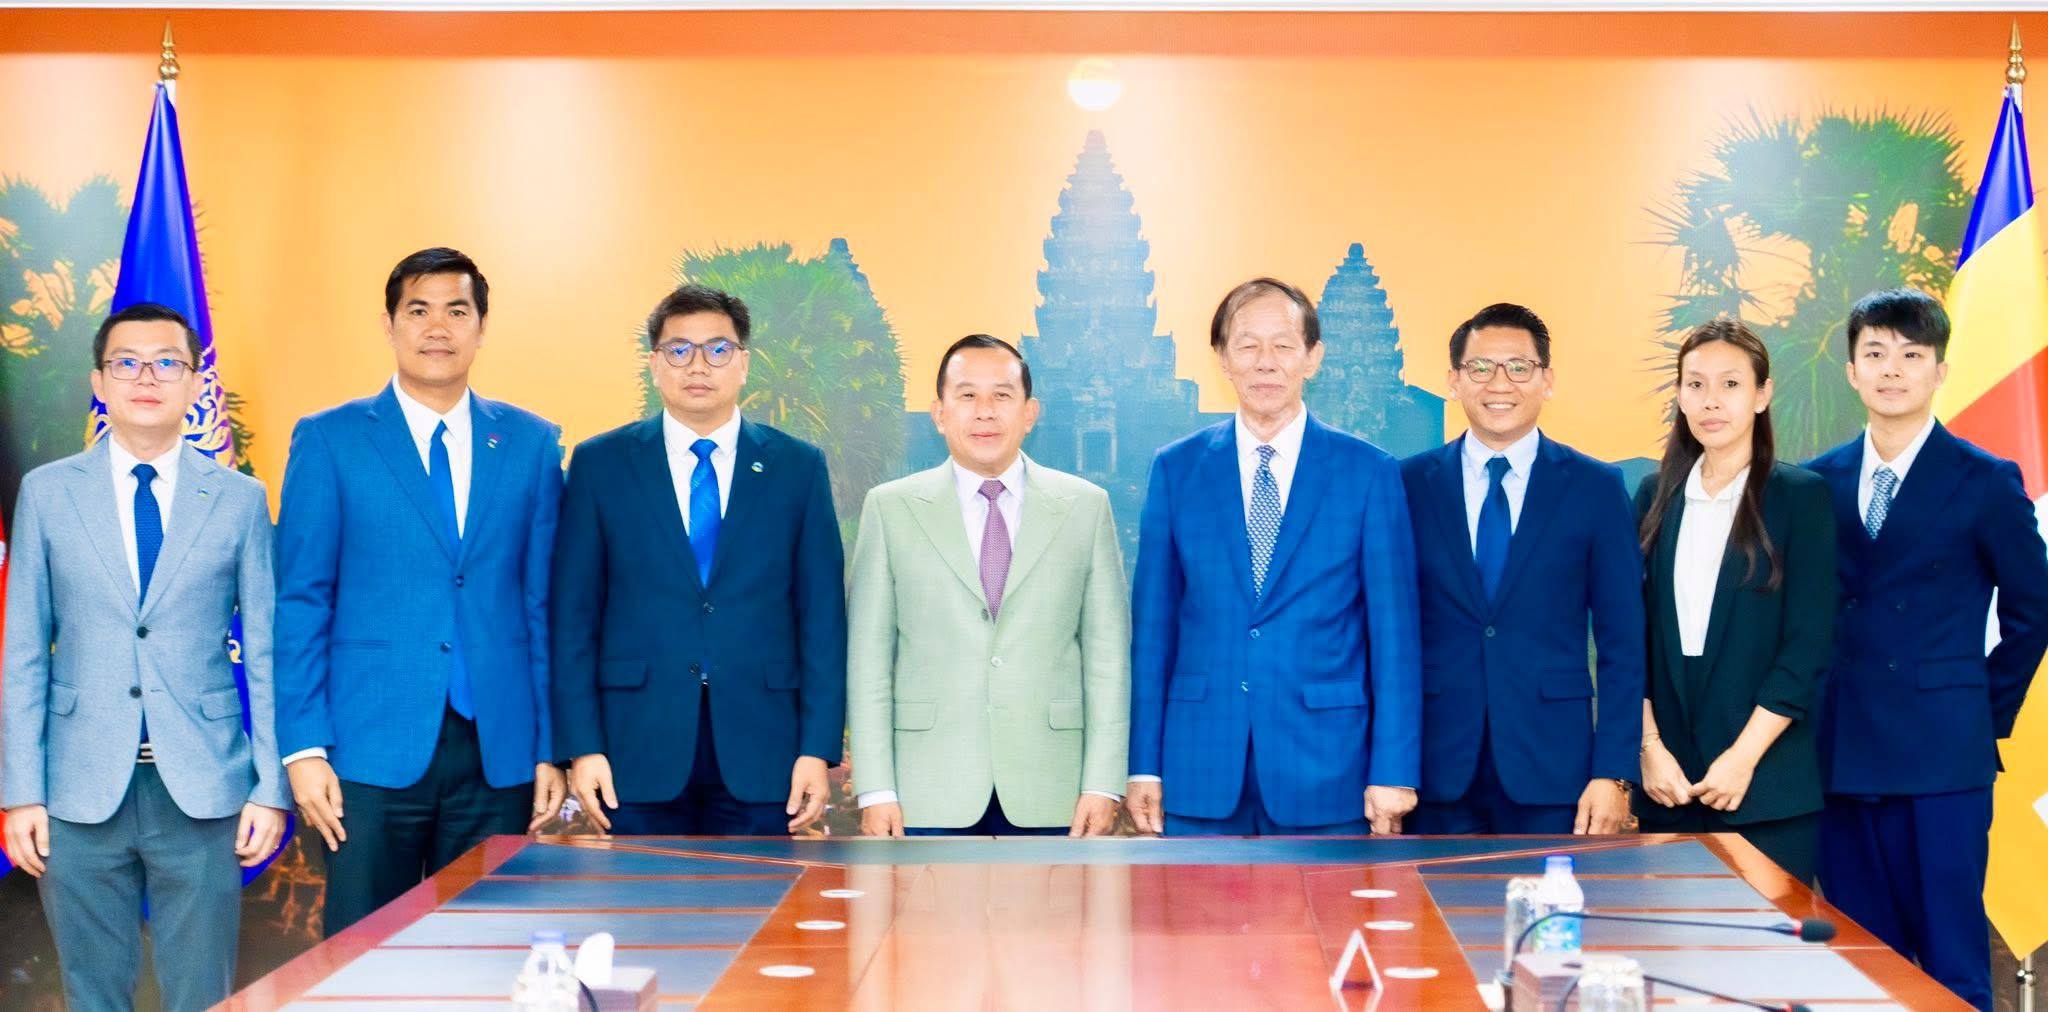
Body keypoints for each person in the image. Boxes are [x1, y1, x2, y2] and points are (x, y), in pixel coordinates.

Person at [1, 303, 290, 1009]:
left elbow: (265, 651)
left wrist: (270, 787)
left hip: (203, 787)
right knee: (93, 992)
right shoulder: (48, 492)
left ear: (194, 383)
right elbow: (24, 654)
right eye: (126, 362)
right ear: (99, 382)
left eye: (167, 362)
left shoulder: (239, 499)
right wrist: (21, 792)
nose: (146, 377)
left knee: (202, 993)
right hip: (76, 789)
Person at [275, 248, 565, 936]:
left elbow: (542, 603)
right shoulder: (330, 439)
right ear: (389, 324)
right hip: (367, 749)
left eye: (457, 311)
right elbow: (301, 601)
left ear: (481, 326)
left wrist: (549, 745)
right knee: (363, 953)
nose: (438, 327)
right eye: (419, 310)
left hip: (498, 752)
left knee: (487, 950)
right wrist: (304, 746)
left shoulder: (530, 443)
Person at [1806, 288, 2048, 1011]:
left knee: (1951, 963)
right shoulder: (1813, 482)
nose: (1892, 369)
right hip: (1841, 753)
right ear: (1851, 370)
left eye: (1911, 355)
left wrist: (1976, 710)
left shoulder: (1985, 479)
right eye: (1875, 353)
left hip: (1943, 759)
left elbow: (2034, 611)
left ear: (1940, 370)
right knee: (1860, 967)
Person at [1127, 278, 1421, 836]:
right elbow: (1154, 629)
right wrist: (1144, 765)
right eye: (1247, 345)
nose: (1266, 362)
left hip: (1329, 768)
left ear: (1313, 357)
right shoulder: (1177, 469)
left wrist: (1394, 771)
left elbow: (1395, 636)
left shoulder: (1367, 472)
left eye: (1283, 345)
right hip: (1199, 765)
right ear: (1222, 357)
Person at [553, 285, 845, 836]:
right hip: (633, 746)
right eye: (679, 350)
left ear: (744, 363)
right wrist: (582, 747)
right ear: (654, 365)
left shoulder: (797, 467)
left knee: (762, 892)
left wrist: (816, 748)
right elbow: (574, 618)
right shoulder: (601, 464)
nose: (698, 366)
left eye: (717, 349)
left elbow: (822, 619)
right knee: (644, 894)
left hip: (767, 749)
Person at [848, 335, 1129, 836]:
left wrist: (1103, 784)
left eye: (1002, 395)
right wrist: (876, 790)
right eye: (967, 395)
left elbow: (1107, 658)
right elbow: (869, 658)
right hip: (924, 791)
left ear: (1030, 413)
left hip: (1056, 789)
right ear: (939, 414)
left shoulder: (1085, 507)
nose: (985, 412)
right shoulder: (890, 508)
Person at [1401, 303, 1643, 836]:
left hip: (1556, 770)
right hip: (1433, 771)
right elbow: (1386, 634)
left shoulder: (1595, 487)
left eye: (1518, 367)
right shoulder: (1408, 485)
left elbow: (1623, 643)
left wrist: (1614, 772)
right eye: (1480, 368)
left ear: (1547, 380)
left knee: (1548, 896)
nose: (1499, 384)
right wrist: (1389, 768)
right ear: (1453, 381)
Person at [1633, 318, 1835, 884]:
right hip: (1668, 786)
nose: (1711, 401)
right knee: (1669, 941)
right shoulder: (1654, 496)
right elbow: (1630, 639)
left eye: (1730, 384)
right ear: (1679, 395)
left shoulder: (1801, 496)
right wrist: (1649, 748)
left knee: (1766, 942)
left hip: (1766, 789)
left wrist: (1743, 759)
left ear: (1762, 394)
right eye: (1695, 384)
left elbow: (1807, 645)